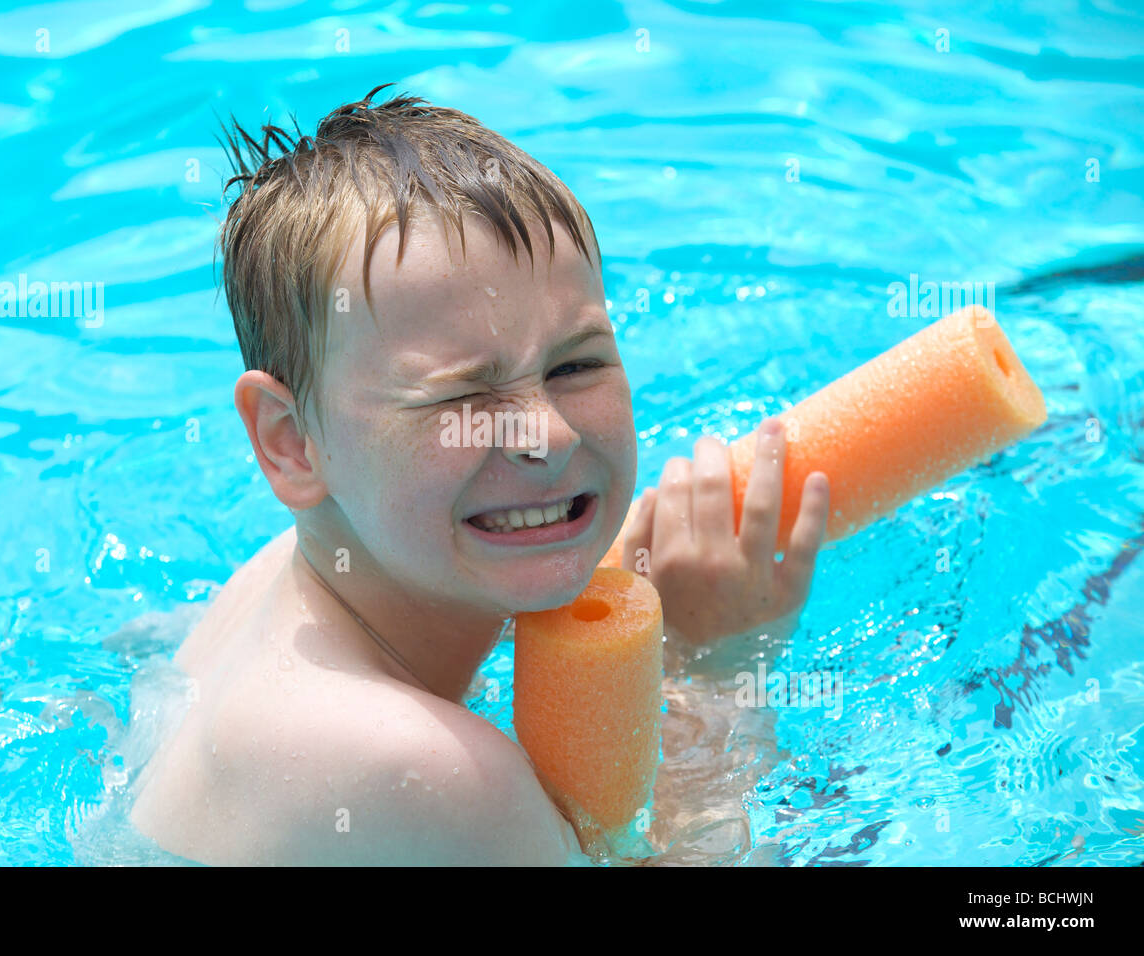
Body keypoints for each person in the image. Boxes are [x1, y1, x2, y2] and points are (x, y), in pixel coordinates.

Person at [129, 84, 829, 865]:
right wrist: (715, 670)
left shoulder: (274, 584)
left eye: (576, 364)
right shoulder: (426, 773)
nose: (549, 438)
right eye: (464, 394)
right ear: (291, 443)